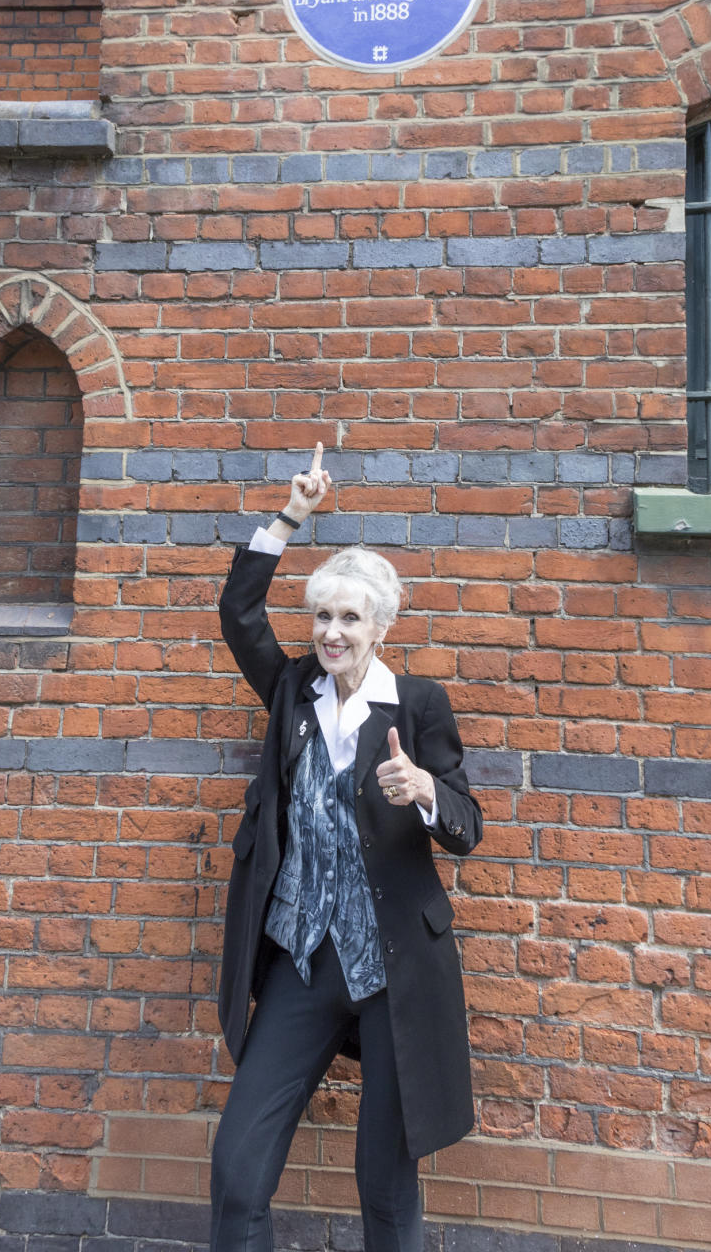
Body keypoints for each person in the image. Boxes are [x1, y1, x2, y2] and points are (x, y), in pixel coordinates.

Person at [211, 443, 483, 1252]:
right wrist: (292, 515)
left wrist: (427, 793)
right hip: (302, 961)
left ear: (382, 626)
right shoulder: (292, 689)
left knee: (385, 1184)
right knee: (236, 1169)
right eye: (323, 616)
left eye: (351, 618)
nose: (333, 633)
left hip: (393, 969)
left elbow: (468, 822)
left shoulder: (419, 704)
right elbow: (238, 613)